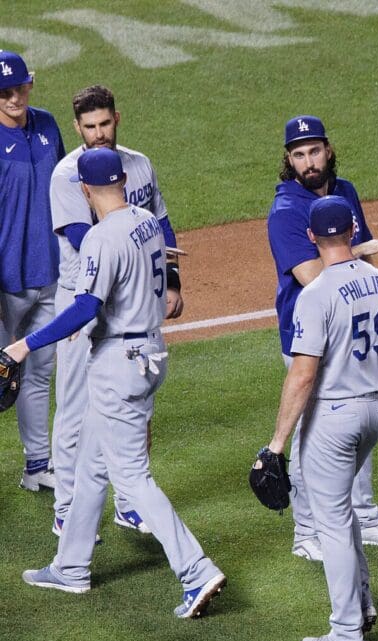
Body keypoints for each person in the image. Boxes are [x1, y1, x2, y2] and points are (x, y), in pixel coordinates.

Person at [11, 148, 225, 618]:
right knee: (91, 465)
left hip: (119, 364)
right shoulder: (146, 222)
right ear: (122, 181)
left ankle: (196, 570)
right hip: (149, 353)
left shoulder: (101, 237)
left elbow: (86, 307)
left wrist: (25, 344)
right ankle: (70, 567)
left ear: (86, 190)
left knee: (132, 476)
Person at [267, 115, 378, 559]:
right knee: (310, 437)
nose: (309, 161)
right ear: (289, 160)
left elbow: (357, 262)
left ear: (328, 150)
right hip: (308, 335)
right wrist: (359, 250)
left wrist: (361, 264)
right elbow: (314, 275)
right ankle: (306, 533)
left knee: (356, 425)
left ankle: (365, 518)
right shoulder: (286, 211)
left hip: (350, 326)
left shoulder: (344, 191)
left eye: (314, 151)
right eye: (299, 154)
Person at [264, 195, 378, 641]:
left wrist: (277, 444)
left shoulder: (316, 294)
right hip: (376, 408)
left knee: (333, 524)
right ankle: (362, 606)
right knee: (343, 511)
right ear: (353, 230)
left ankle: (346, 635)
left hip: (335, 418)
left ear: (311, 237)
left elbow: (303, 375)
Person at [49, 84, 184, 537]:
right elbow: (82, 239)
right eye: (90, 126)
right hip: (81, 298)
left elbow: (161, 222)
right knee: (74, 406)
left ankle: (129, 502)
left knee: (135, 406)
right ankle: (67, 508)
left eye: (105, 123)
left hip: (127, 297)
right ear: (77, 127)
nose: (99, 133)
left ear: (117, 118)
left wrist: (172, 281)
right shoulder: (67, 176)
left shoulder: (139, 164)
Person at [0, 49, 64, 492]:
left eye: (18, 88)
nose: (13, 98)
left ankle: (37, 465)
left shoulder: (48, 126)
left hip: (51, 273)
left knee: (38, 371)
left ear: (30, 84)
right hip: (5, 284)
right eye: (4, 92)